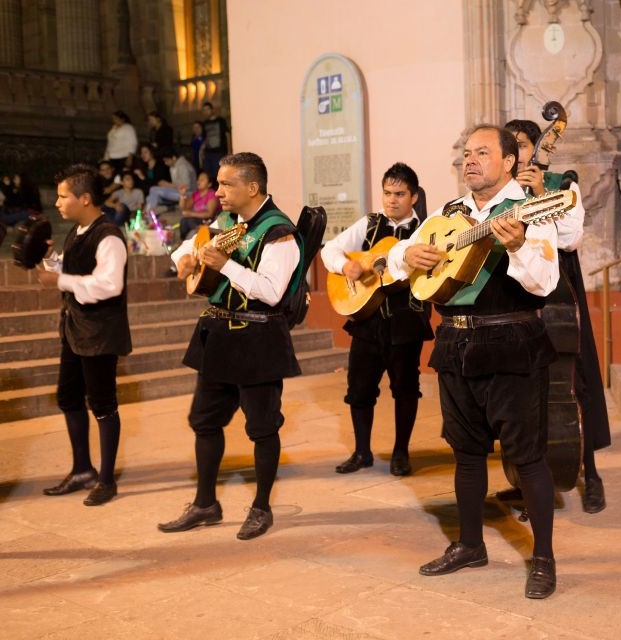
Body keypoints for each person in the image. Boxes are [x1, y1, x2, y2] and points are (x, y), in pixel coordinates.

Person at [388, 125, 561, 599]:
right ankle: (469, 544)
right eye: (466, 154)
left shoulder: (531, 209)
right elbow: (396, 258)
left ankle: (543, 558)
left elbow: (545, 281)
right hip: (454, 345)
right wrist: (410, 253)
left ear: (508, 162)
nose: (470, 161)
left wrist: (518, 245)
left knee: (526, 458)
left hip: (512, 342)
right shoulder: (449, 213)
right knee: (465, 453)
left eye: (482, 153)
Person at [157, 152, 301, 541]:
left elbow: (271, 293)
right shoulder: (226, 223)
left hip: (259, 338)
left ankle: (261, 507)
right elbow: (188, 246)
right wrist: (184, 260)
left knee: (262, 427)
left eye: (226, 184)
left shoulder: (279, 232)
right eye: (218, 183)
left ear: (252, 187)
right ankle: (206, 504)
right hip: (218, 337)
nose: (217, 191)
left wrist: (226, 267)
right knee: (204, 421)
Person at [505, 118, 612, 514]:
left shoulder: (563, 184)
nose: (518, 153)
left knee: (576, 379)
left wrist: (540, 195)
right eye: (510, 146)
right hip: (518, 291)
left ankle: (592, 473)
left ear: (537, 148)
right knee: (527, 388)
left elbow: (571, 238)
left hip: (561, 288)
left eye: (523, 144)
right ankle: (531, 477)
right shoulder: (503, 192)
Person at [321, 163, 433, 477]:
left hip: (405, 323)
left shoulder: (425, 231)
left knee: (406, 389)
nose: (392, 200)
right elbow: (330, 249)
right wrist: (346, 267)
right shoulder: (369, 224)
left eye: (399, 194)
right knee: (359, 389)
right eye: (387, 193)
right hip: (368, 323)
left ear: (413, 197)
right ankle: (361, 452)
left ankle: (401, 452)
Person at [37, 164, 132, 506]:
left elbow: (109, 285)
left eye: (63, 196)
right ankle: (82, 470)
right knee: (68, 397)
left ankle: (106, 480)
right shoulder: (76, 231)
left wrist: (60, 280)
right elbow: (72, 269)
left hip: (101, 333)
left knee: (103, 405)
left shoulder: (108, 236)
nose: (58, 202)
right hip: (75, 329)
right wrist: (48, 259)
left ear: (85, 198)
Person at [177, 171, 221, 241]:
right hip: (196, 220)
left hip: (208, 221)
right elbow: (184, 207)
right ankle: (183, 240)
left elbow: (210, 214)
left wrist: (190, 214)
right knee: (184, 221)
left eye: (202, 180)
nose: (198, 182)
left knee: (188, 221)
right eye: (198, 179)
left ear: (209, 184)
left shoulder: (212, 194)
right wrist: (182, 195)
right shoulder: (196, 194)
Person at [201, 102, 231, 172]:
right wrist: (202, 150)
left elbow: (227, 135)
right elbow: (206, 138)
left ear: (212, 110)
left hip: (219, 152)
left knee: (217, 172)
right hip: (208, 152)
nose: (206, 112)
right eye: (204, 110)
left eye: (207, 109)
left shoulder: (221, 121)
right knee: (207, 172)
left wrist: (229, 150)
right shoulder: (205, 123)